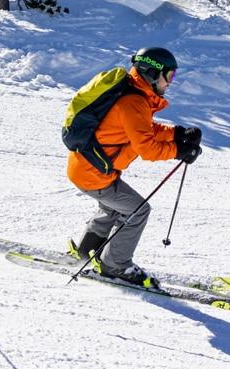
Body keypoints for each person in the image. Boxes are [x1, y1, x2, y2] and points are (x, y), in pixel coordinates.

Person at [64, 46, 202, 288]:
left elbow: (142, 128)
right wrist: (179, 151)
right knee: (138, 210)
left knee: (113, 206)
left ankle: (87, 251)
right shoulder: (133, 101)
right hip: (94, 174)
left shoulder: (133, 94)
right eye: (169, 76)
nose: (170, 83)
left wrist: (178, 133)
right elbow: (147, 148)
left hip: (86, 168)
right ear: (152, 73)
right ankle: (115, 265)